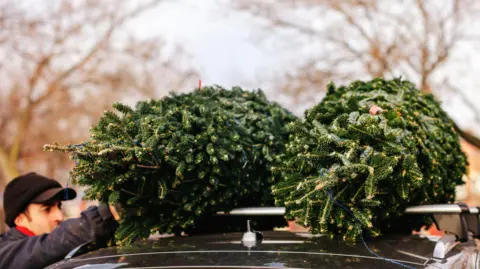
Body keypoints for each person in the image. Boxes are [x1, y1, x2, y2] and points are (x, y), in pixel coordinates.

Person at [0, 172, 121, 269]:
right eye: (46, 209)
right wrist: (105, 215)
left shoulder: (59, 251)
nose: (60, 216)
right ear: (20, 219)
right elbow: (46, 247)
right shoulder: (5, 253)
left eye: (59, 207)